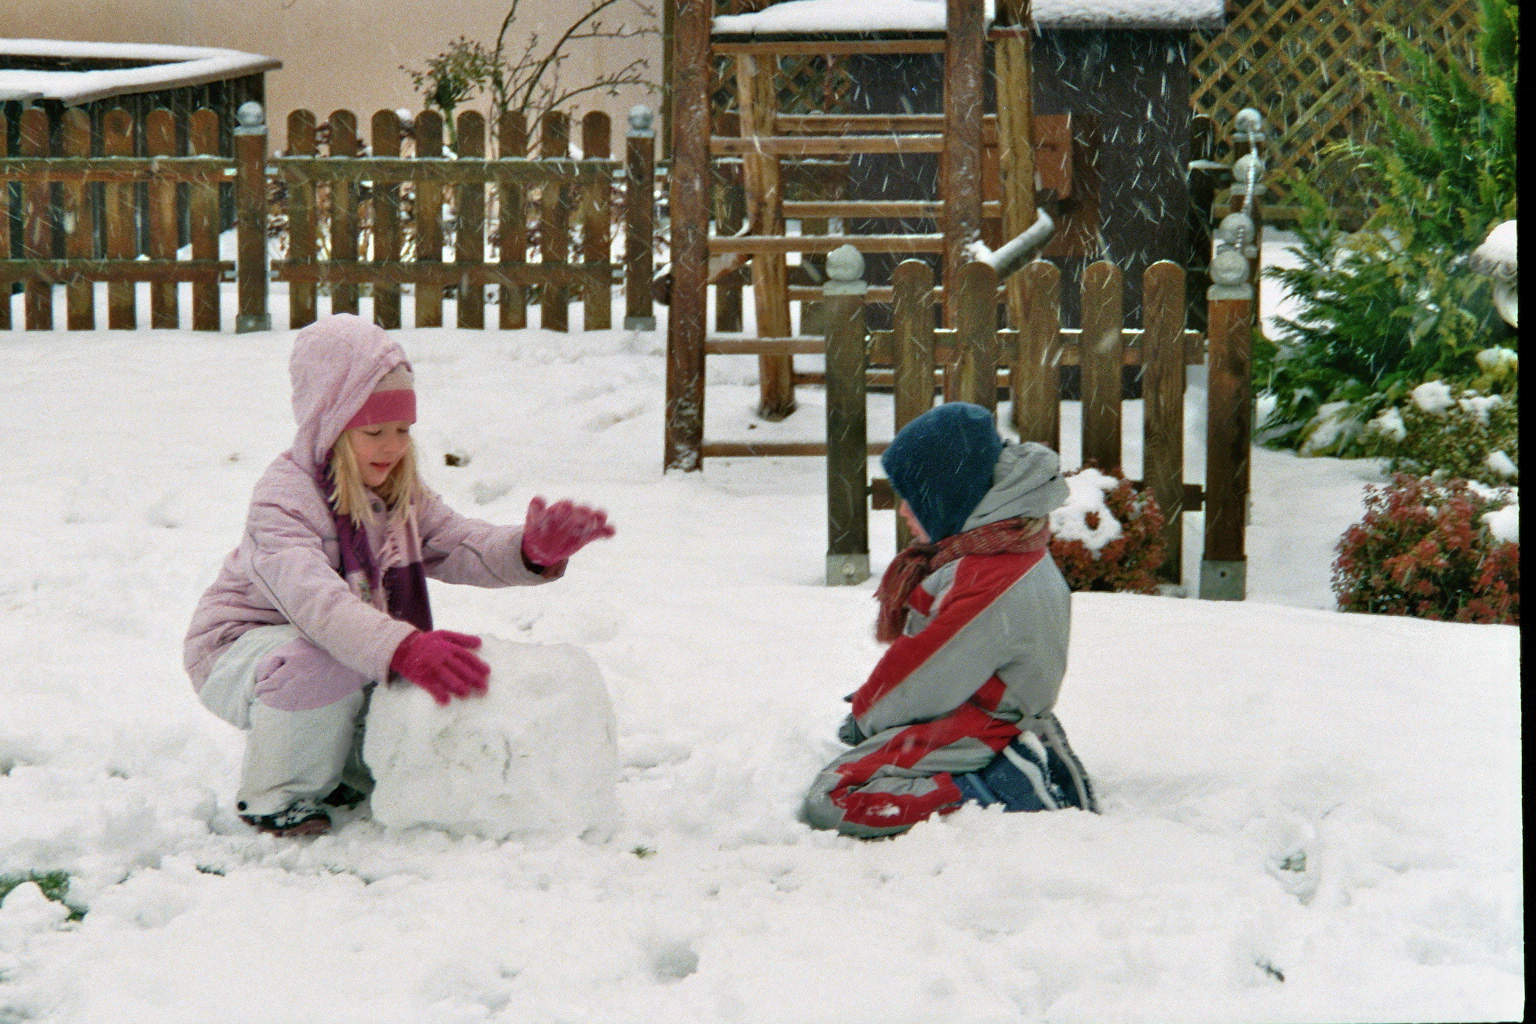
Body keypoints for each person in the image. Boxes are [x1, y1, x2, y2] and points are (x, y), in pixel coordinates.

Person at [184, 314, 615, 837]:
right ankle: (278, 795)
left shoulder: (396, 494)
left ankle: (344, 769)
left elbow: (457, 541)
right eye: (374, 432)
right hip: (238, 650)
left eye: (403, 430)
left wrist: (528, 551)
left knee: (371, 677)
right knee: (324, 660)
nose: (392, 446)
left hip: (343, 645)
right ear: (330, 424)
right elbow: (317, 604)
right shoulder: (284, 499)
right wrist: (404, 648)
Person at [802, 402, 1096, 840]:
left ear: (947, 497)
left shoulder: (986, 576)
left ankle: (1002, 785)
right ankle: (1015, 757)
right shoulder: (1005, 544)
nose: (903, 511)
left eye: (913, 497)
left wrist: (867, 717)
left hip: (978, 721)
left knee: (833, 797)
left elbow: (924, 672)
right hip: (989, 704)